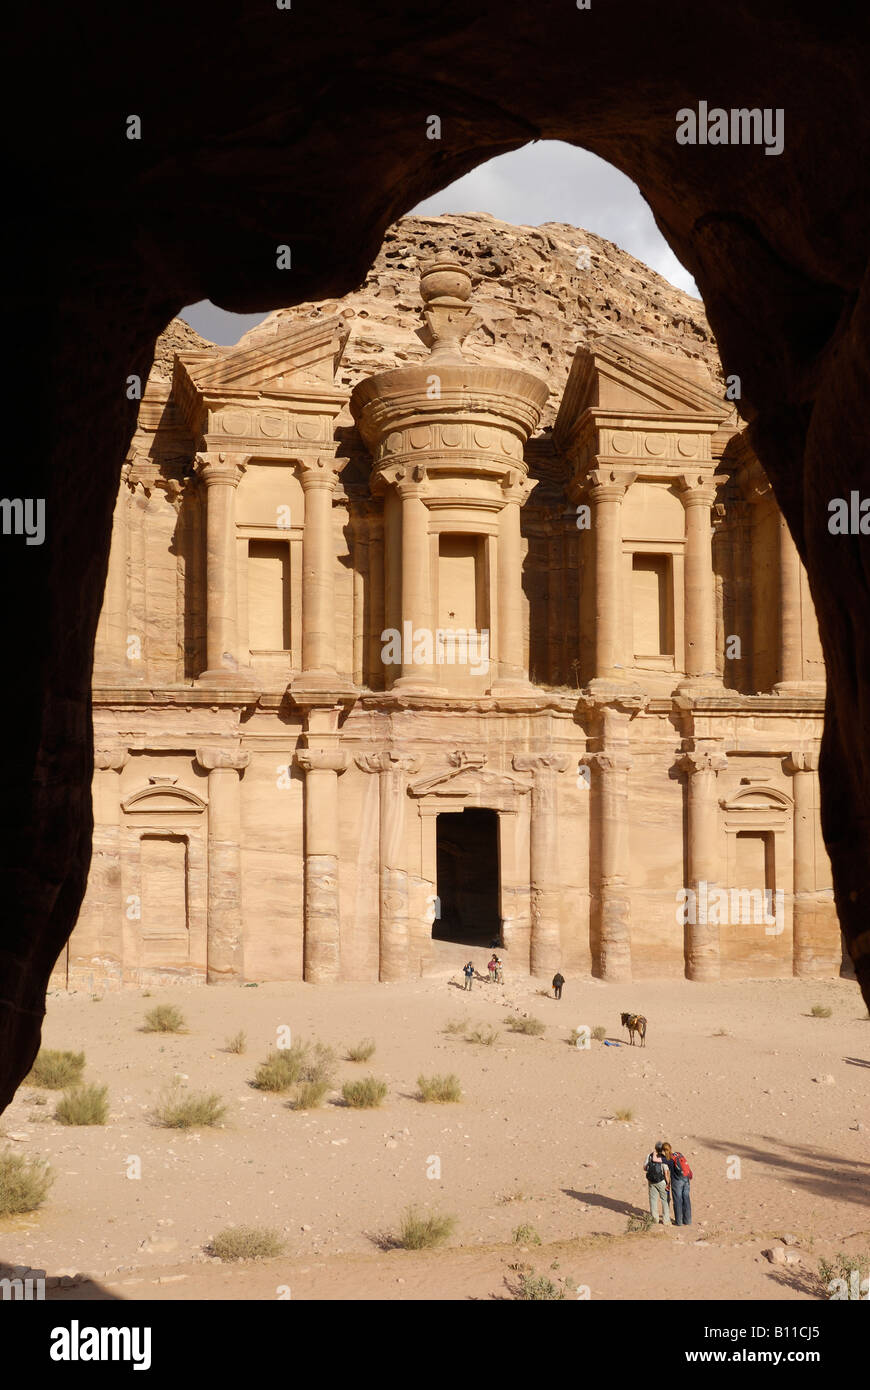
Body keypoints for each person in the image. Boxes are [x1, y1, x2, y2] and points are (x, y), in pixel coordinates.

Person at [662, 1141, 692, 1226]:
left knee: (678, 1200)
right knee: (686, 1199)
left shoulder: (667, 1160)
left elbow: (656, 1160)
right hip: (686, 1179)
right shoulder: (678, 1154)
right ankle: (688, 1220)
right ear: (671, 1148)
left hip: (677, 1181)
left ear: (664, 1151)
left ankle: (679, 1222)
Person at [643, 1142, 671, 1225]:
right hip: (661, 1181)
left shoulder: (649, 1156)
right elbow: (666, 1173)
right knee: (665, 1200)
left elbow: (645, 1168)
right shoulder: (663, 1158)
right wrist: (668, 1183)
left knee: (653, 1200)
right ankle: (666, 1220)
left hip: (651, 1181)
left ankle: (655, 1219)